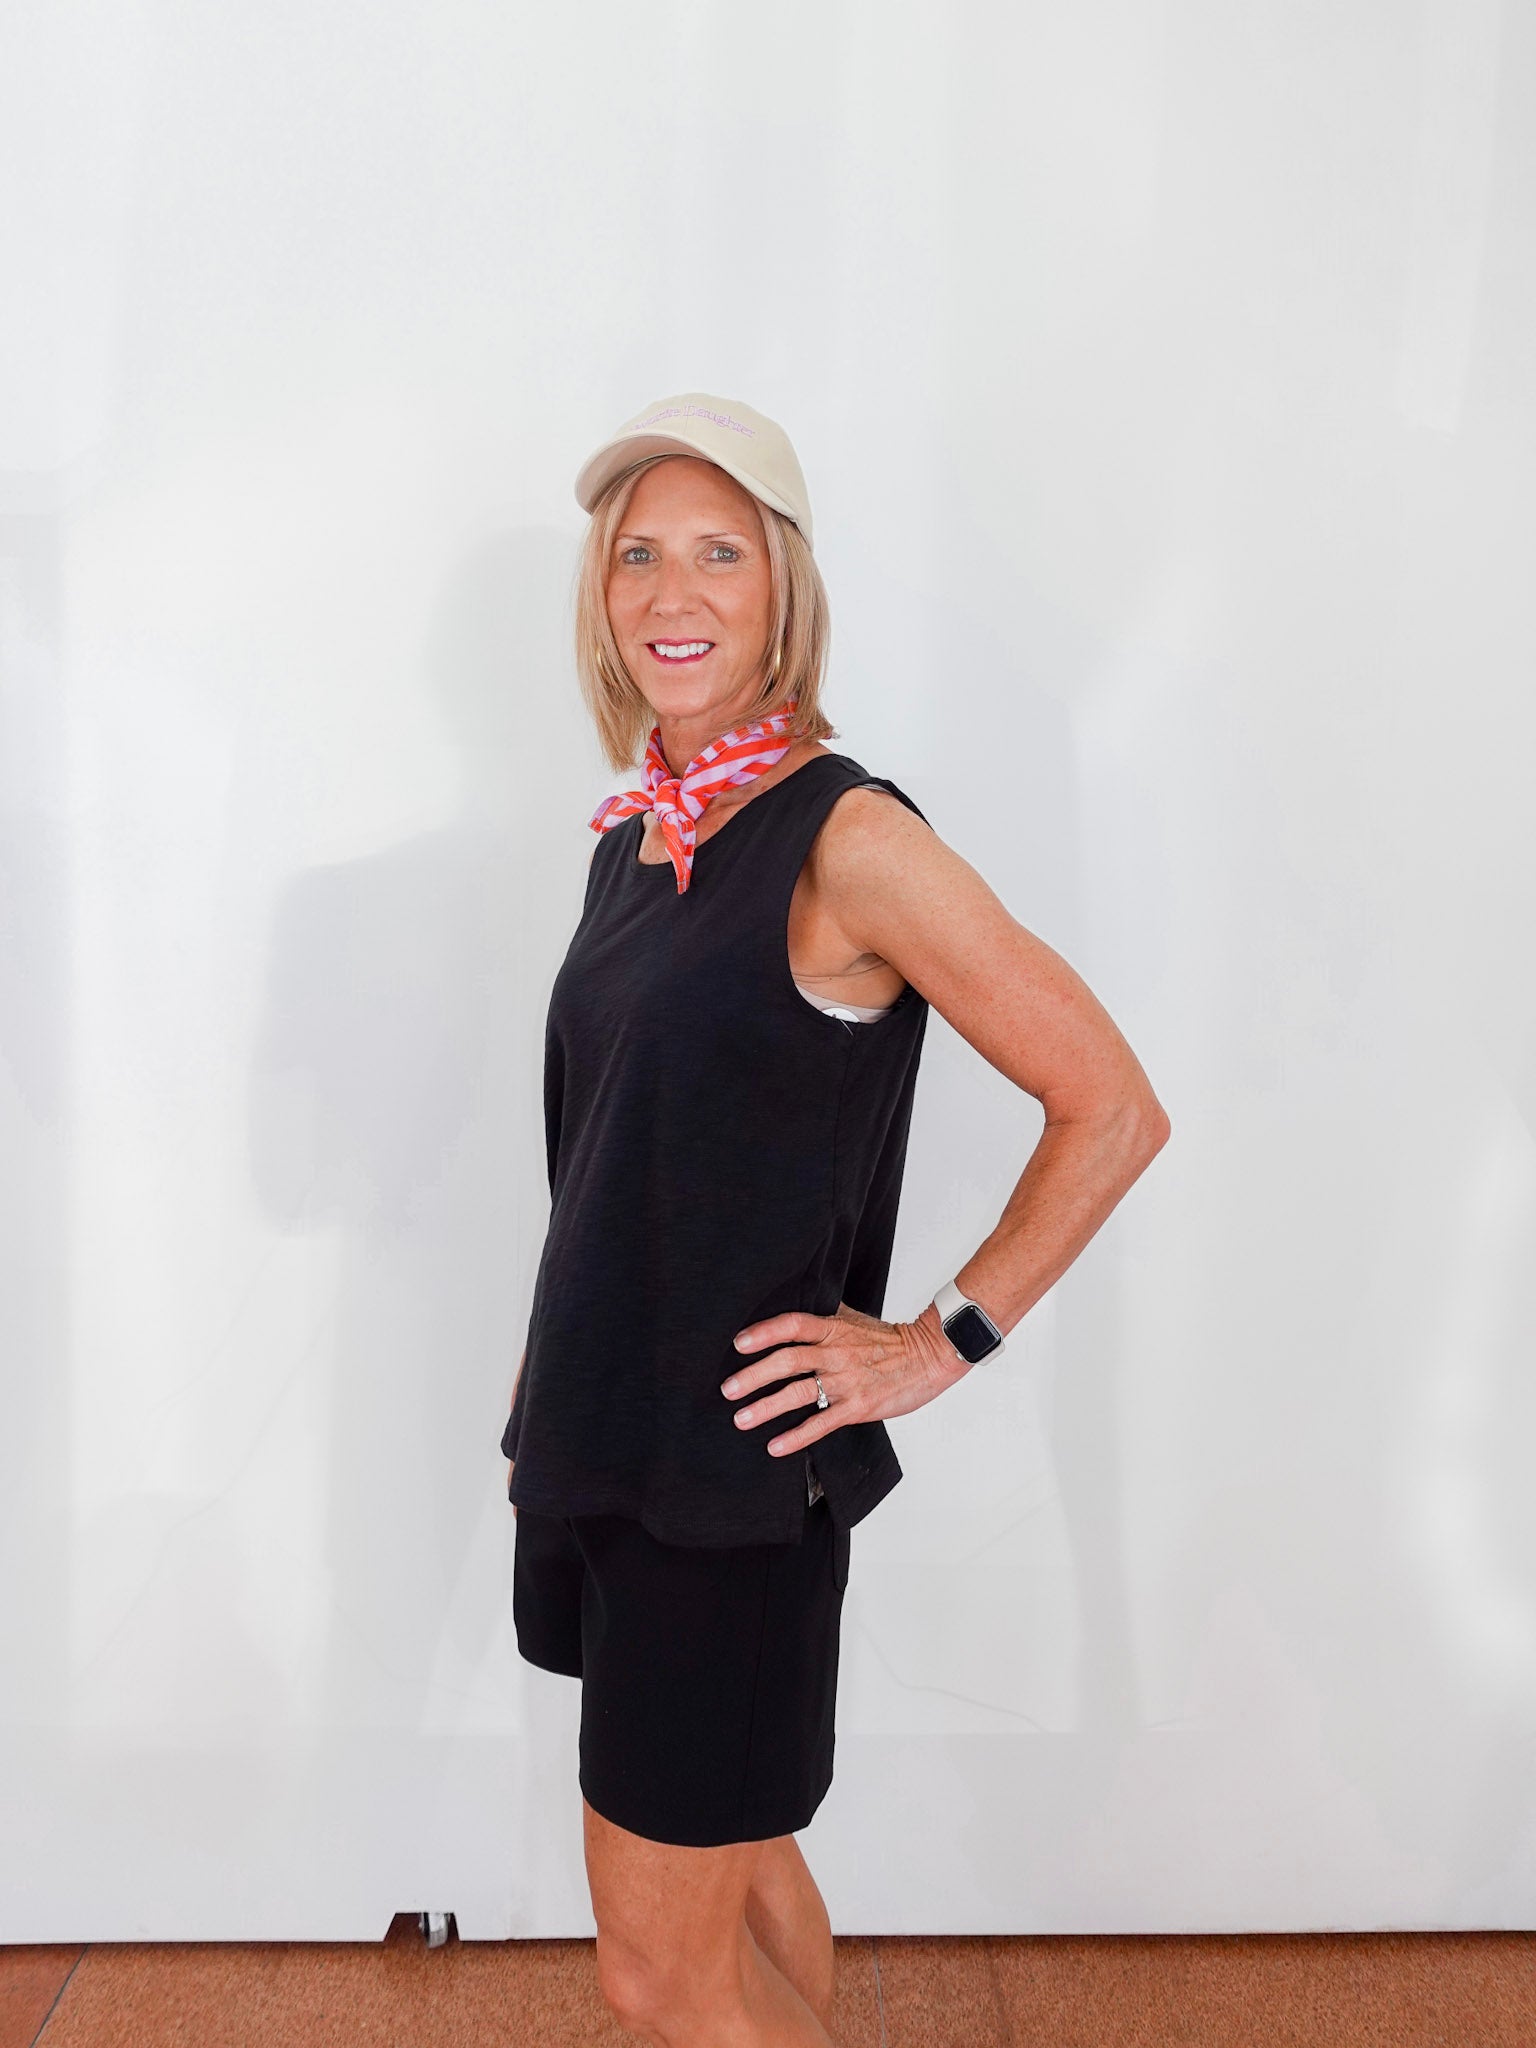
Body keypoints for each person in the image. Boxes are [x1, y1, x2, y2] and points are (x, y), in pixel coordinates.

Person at [503, 391, 1171, 2047]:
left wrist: (937, 1341)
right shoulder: (646, 835)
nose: (672, 593)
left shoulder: (849, 839)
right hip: (612, 1442)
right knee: (737, 1870)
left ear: (782, 587)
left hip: (723, 1483)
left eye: (718, 553)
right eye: (637, 555)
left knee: (659, 1976)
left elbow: (1113, 1102)